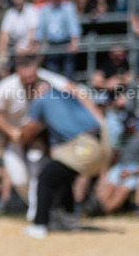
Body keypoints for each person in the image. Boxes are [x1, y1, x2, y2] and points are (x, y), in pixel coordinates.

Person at [0, 55, 73, 222]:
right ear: (18, 73)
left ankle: (39, 216)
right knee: (19, 179)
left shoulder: (47, 79)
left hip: (41, 138)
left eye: (32, 77)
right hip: (15, 138)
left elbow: (73, 89)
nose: (29, 81)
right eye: (25, 78)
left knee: (37, 175)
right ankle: (41, 209)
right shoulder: (7, 87)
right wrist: (11, 132)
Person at [20, 84, 109, 238]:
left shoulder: (40, 101)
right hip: (104, 144)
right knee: (64, 174)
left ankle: (40, 225)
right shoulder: (66, 96)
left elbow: (26, 134)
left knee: (46, 177)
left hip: (85, 146)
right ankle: (68, 218)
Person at [34, 0, 81, 80]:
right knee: (52, 75)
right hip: (51, 45)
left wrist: (74, 42)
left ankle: (69, 95)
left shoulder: (68, 7)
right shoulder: (45, 9)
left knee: (69, 74)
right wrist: (37, 43)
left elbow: (73, 26)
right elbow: (40, 29)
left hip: (66, 44)